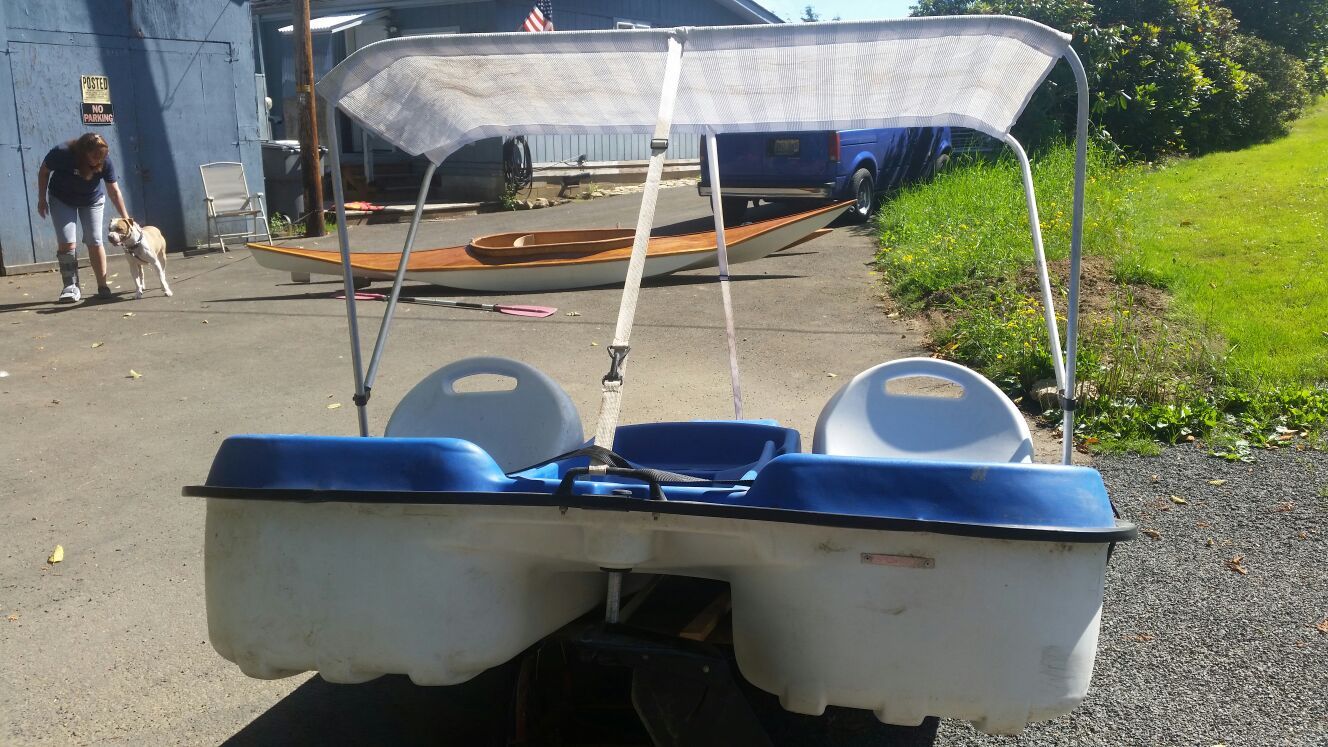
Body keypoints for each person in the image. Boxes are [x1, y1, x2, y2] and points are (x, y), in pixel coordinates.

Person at [35, 133, 131, 303]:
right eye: (94, 156)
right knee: (67, 242)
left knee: (94, 240)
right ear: (82, 152)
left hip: (92, 200)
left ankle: (103, 286)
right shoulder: (62, 153)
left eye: (101, 156)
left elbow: (114, 192)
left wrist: (127, 219)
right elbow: (44, 172)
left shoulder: (105, 161)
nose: (98, 160)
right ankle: (70, 288)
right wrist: (42, 199)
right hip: (62, 198)